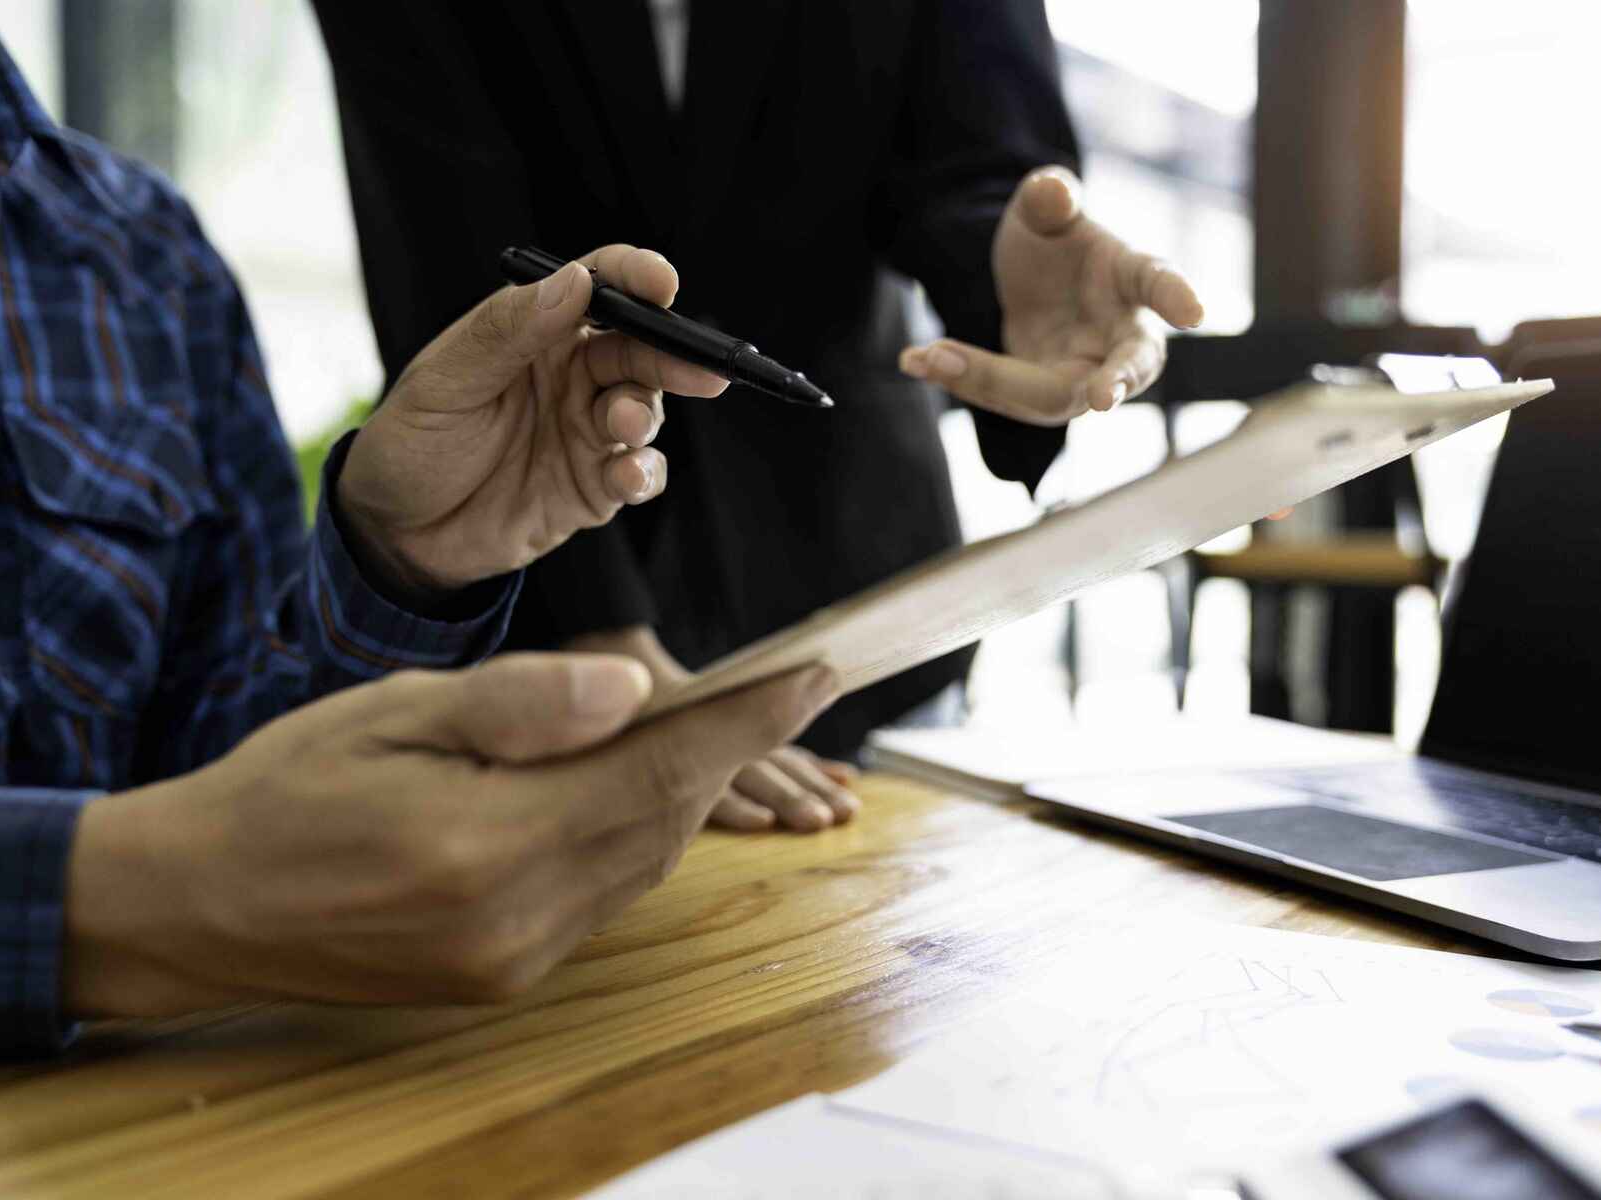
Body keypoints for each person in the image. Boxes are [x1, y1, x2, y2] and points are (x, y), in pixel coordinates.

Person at [0, 17, 837, 1057]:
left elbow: (214, 765)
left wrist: (403, 568)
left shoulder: (144, 255)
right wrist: (119, 904)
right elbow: (193, 860)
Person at [311, 0, 1205, 833]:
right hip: (549, 638)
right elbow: (443, 258)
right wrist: (601, 633)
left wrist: (1012, 279)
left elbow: (975, 160)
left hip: (860, 592)